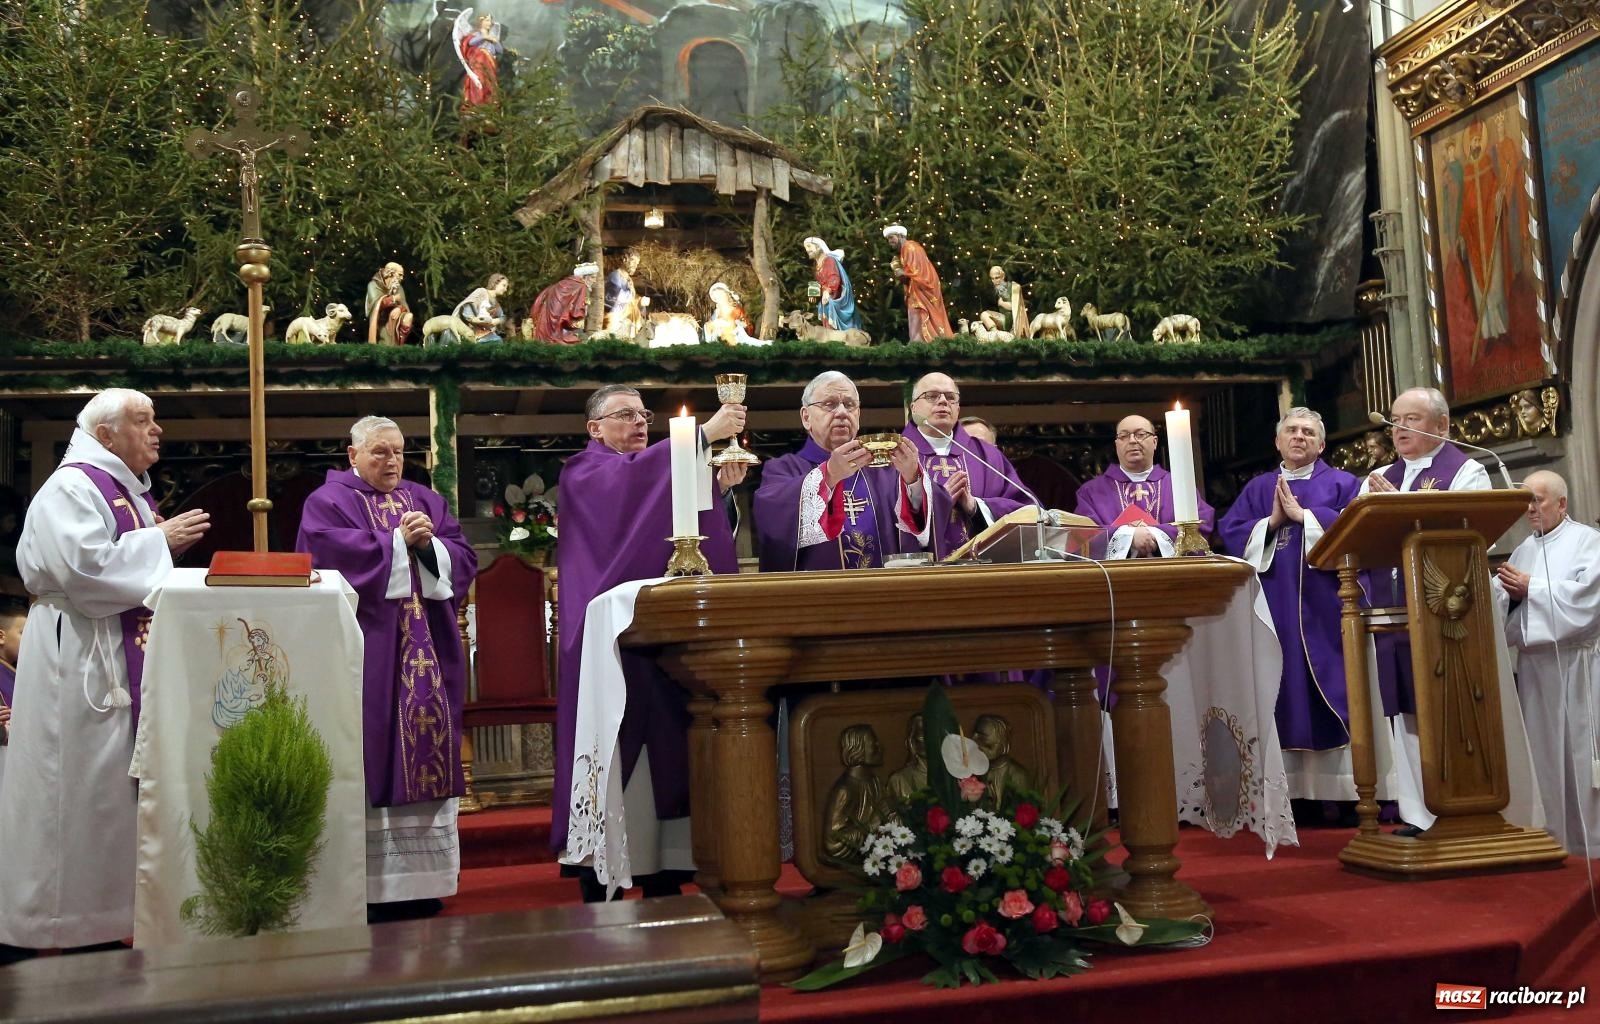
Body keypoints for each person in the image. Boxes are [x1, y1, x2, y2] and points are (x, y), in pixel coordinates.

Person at [0, 389, 210, 953]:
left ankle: (107, 913)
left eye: (154, 419)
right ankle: (60, 919)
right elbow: (84, 570)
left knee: (110, 788)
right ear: (104, 433)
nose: (157, 430)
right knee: (75, 782)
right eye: (143, 421)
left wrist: (154, 542)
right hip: (81, 653)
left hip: (114, 648)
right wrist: (158, 540)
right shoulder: (73, 486)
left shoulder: (124, 490)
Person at [552, 384, 749, 901]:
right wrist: (701, 435)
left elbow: (690, 525)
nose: (640, 423)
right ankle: (604, 864)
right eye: (625, 416)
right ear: (594, 428)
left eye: (644, 415)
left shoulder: (660, 466)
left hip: (664, 634)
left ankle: (665, 864)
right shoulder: (583, 471)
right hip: (609, 641)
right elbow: (628, 495)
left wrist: (720, 490)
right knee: (618, 747)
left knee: (672, 741)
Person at [296, 415, 477, 919]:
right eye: (379, 452)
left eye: (398, 451)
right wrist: (397, 543)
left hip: (429, 650)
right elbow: (326, 555)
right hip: (368, 652)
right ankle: (371, 889)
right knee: (369, 750)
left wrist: (429, 546)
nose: (392, 461)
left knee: (426, 749)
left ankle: (422, 882)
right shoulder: (328, 502)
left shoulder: (426, 499)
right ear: (352, 455)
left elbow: (461, 557)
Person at [1360, 386, 1491, 834]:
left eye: (1412, 419)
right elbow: (1358, 540)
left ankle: (1460, 805)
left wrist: (1395, 507)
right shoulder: (1378, 479)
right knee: (1408, 713)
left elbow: (1468, 533)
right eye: (1395, 418)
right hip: (1395, 616)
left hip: (1449, 615)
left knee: (1446, 705)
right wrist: (1374, 507)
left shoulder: (1468, 471)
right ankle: (1418, 812)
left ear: (1442, 425)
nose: (1399, 428)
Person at [1218, 408, 1361, 814]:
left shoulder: (1343, 483)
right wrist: (1271, 523)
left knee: (1331, 689)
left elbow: (1357, 528)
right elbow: (1230, 531)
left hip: (1325, 610)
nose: (1299, 437)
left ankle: (1339, 797)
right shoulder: (1260, 487)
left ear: (1322, 444)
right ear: (1278, 442)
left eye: (1308, 432)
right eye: (1291, 431)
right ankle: (1287, 798)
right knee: (1277, 687)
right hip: (1271, 607)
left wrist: (1307, 518)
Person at [1491, 471, 1600, 854]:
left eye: (1538, 500)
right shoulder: (1523, 549)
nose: (1530, 509)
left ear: (1562, 504)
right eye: (1526, 501)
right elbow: (1503, 605)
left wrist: (1531, 589)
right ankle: (1554, 839)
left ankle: (1592, 844)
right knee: (1544, 758)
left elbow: (1588, 601)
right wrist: (1510, 595)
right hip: (1536, 670)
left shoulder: (1589, 542)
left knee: (1582, 758)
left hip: (1579, 668)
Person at [754, 370, 947, 571]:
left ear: (859, 414)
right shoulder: (784, 469)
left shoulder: (886, 471)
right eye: (829, 404)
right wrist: (829, 474)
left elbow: (931, 522)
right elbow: (772, 520)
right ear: (806, 417)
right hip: (821, 596)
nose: (842, 412)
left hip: (883, 593)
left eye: (849, 405)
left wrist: (913, 478)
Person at [902, 372, 1033, 553]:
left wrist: (977, 506)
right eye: (932, 396)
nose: (943, 401)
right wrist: (938, 501)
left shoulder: (987, 456)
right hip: (919, 574)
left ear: (958, 408)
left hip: (981, 570)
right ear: (913, 407)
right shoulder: (895, 454)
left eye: (950, 397)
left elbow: (1029, 511)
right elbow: (882, 517)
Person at [1073, 414, 1216, 558]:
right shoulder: (1091, 491)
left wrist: (1154, 535)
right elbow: (1082, 535)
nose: (1132, 440)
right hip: (1114, 577)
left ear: (1154, 442)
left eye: (1140, 434)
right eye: (1124, 436)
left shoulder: (1179, 485)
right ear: (1116, 445)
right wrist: (1129, 537)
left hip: (1172, 575)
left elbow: (1202, 524)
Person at [820, 724, 886, 869]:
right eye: (873, 743)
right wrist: (869, 828)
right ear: (858, 750)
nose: (879, 747)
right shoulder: (845, 790)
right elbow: (832, 842)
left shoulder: (875, 782)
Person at [882, 225, 953, 342]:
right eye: (888, 239)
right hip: (919, 286)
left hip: (920, 289)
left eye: (891, 237)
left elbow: (915, 271)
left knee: (918, 315)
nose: (890, 242)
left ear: (900, 236)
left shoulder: (909, 248)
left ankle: (920, 343)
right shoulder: (908, 248)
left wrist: (900, 271)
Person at [530, 262, 597, 344]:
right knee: (583, 339)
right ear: (584, 277)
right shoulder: (581, 286)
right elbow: (577, 312)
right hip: (561, 328)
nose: (595, 281)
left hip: (546, 325)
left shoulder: (563, 283)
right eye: (593, 277)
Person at [804, 236, 860, 331]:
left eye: (809, 246)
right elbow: (819, 281)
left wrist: (827, 291)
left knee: (830, 311)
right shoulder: (818, 264)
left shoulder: (829, 260)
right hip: (826, 297)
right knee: (825, 314)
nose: (807, 250)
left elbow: (834, 278)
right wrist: (813, 293)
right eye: (806, 248)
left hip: (835, 297)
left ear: (818, 247)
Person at [457, 11, 502, 110]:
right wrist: (484, 37)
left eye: (490, 20)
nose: (489, 23)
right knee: (479, 83)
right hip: (478, 65)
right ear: (481, 21)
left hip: (490, 66)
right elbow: (470, 43)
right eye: (487, 20)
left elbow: (499, 50)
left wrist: (494, 41)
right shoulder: (475, 34)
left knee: (490, 85)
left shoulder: (492, 36)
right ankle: (476, 104)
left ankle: (488, 105)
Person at [452, 273, 510, 343]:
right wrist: (474, 319)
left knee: (497, 341)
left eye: (506, 287)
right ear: (495, 283)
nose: (505, 289)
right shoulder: (481, 292)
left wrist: (496, 321)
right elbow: (468, 304)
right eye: (504, 285)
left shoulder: (496, 303)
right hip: (473, 332)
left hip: (487, 332)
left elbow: (503, 317)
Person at [366, 262, 413, 346]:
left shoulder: (399, 287)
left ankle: (399, 345)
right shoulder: (373, 285)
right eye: (400, 274)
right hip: (380, 320)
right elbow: (375, 304)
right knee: (385, 342)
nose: (402, 278)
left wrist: (400, 309)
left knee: (408, 317)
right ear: (391, 273)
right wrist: (393, 298)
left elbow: (404, 304)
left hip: (397, 319)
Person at [604, 250, 646, 340]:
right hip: (615, 314)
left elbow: (632, 297)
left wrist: (640, 300)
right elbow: (615, 296)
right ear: (624, 259)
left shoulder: (629, 279)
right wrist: (634, 298)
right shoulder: (615, 276)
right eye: (633, 261)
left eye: (637, 263)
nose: (635, 266)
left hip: (626, 316)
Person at [981, 266, 1030, 338]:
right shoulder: (996, 291)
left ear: (1003, 276)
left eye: (997, 278)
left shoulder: (1014, 287)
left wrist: (1002, 304)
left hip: (1014, 321)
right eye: (992, 278)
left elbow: (1015, 307)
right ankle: (995, 335)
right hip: (1004, 319)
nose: (994, 281)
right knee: (984, 315)